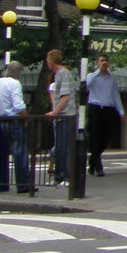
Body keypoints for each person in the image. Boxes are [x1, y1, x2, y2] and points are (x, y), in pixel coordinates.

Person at [0, 61, 33, 193]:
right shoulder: (15, 84)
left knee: (3, 152)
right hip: (15, 121)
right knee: (20, 153)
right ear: (18, 72)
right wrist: (26, 118)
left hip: (2, 121)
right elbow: (19, 106)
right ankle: (23, 184)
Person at [84, 54, 124, 177]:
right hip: (95, 108)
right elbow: (86, 85)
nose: (104, 63)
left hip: (108, 109)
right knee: (95, 137)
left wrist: (121, 112)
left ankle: (92, 160)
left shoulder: (112, 78)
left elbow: (116, 95)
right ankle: (98, 166)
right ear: (97, 63)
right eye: (101, 61)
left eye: (105, 61)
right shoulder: (92, 76)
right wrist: (98, 71)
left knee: (105, 138)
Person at [47, 49, 76, 184]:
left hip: (65, 116)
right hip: (62, 116)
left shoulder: (63, 74)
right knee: (59, 148)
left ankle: (65, 176)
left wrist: (55, 112)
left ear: (53, 60)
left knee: (63, 147)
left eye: (48, 60)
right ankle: (59, 177)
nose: (47, 62)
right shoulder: (59, 74)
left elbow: (65, 97)